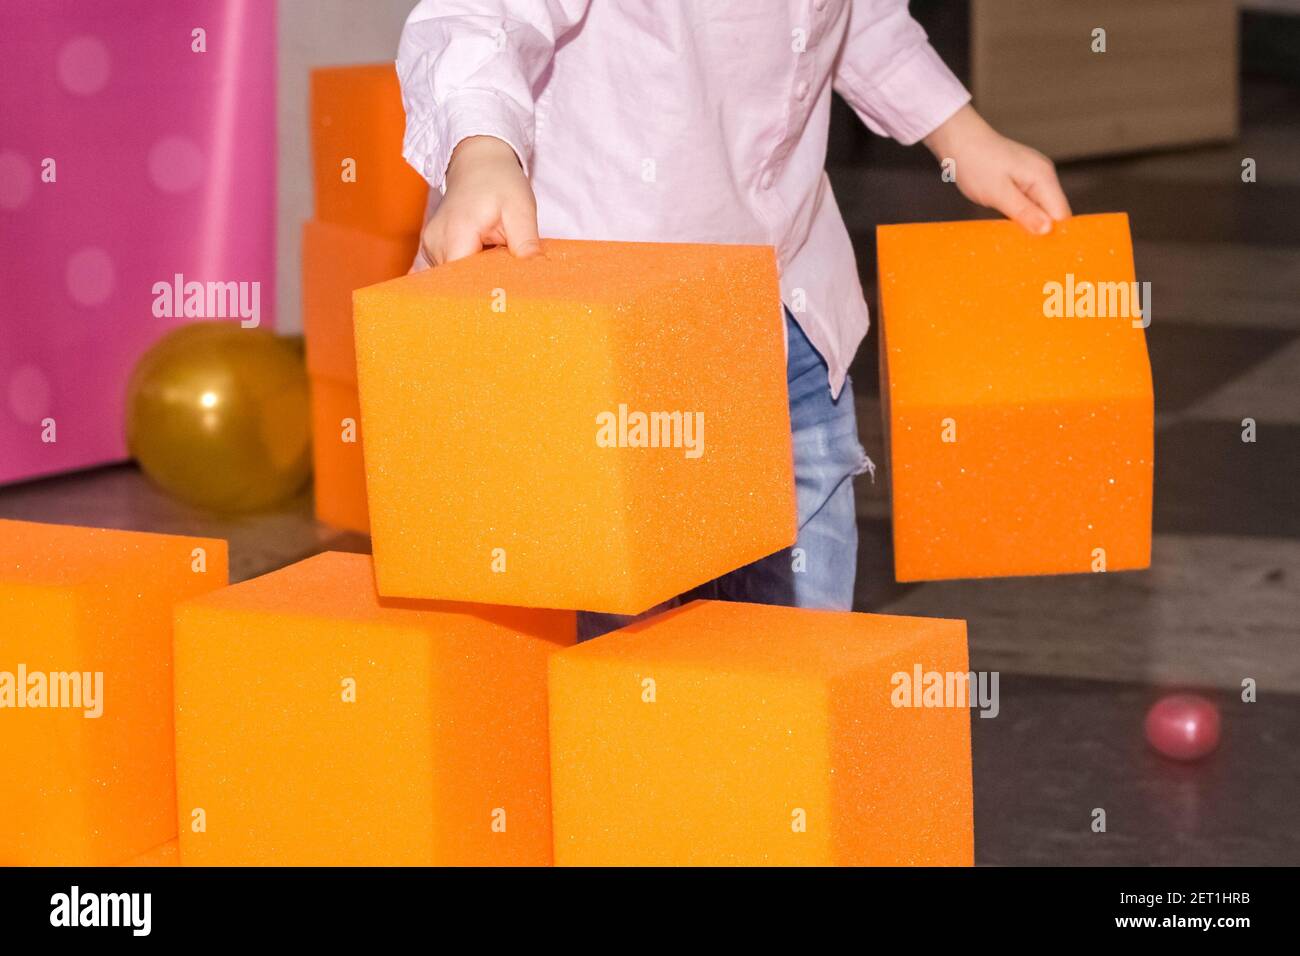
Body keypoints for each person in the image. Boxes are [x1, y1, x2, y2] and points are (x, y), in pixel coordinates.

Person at [395, 1, 1071, 637]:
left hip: (788, 304)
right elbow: (480, 15)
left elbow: (857, 17)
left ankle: (782, 756)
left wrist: (962, 134)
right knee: (624, 642)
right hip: (612, 330)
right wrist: (481, 152)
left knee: (800, 658)